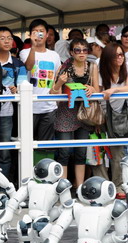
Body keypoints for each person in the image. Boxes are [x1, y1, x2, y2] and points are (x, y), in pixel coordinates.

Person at [50, 38, 99, 188]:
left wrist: (92, 89)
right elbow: (52, 92)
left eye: (85, 50)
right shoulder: (64, 67)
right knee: (64, 152)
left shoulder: (92, 67)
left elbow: (97, 89)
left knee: (81, 153)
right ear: (71, 52)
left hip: (84, 113)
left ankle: (80, 187)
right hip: (65, 113)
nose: (82, 53)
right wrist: (59, 82)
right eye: (78, 50)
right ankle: (64, 187)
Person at [98, 42, 128, 199]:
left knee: (118, 151)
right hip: (100, 112)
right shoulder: (100, 68)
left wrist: (114, 89)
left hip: (119, 113)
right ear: (108, 58)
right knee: (97, 151)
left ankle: (118, 184)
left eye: (122, 54)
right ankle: (103, 184)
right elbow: (97, 89)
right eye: (116, 55)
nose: (120, 58)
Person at [0, 26, 27, 178]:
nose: (6, 41)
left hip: (7, 113)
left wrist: (17, 90)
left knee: (5, 152)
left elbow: (24, 87)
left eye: (9, 38)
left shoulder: (18, 65)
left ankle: (3, 187)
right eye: (2, 38)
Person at [20, 19, 61, 141]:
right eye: (35, 32)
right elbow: (28, 66)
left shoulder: (54, 55)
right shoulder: (24, 52)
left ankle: (44, 161)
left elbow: (57, 77)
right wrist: (33, 46)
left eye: (41, 31)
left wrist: (57, 101)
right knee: (27, 142)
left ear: (47, 34)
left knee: (45, 144)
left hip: (49, 107)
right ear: (30, 34)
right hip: (29, 106)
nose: (39, 35)